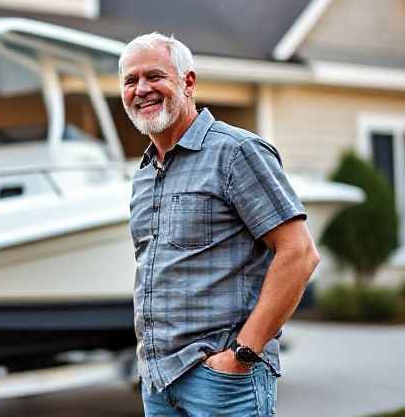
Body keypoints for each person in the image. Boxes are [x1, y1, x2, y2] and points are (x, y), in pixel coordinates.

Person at [121, 32, 320, 416]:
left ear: (188, 82)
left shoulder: (236, 152)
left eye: (154, 76)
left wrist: (242, 355)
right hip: (158, 382)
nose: (141, 89)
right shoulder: (144, 174)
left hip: (222, 383)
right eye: (131, 81)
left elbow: (299, 254)